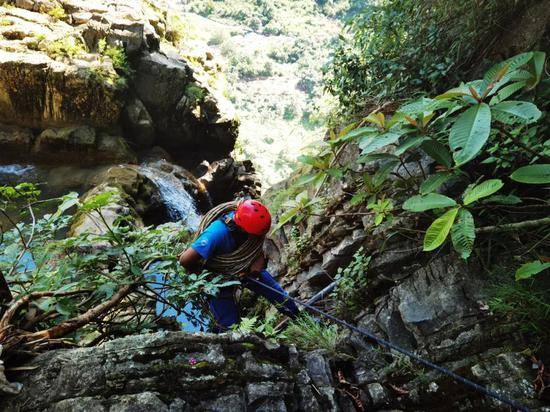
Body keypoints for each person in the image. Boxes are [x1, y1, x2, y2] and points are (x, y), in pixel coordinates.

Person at [178, 199, 298, 332]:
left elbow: (257, 247)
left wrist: (254, 271)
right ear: (243, 228)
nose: (257, 238)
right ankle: (231, 347)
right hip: (217, 279)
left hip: (245, 267)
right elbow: (185, 260)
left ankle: (301, 318)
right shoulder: (216, 234)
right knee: (228, 325)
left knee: (278, 295)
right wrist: (205, 279)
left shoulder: (251, 231)